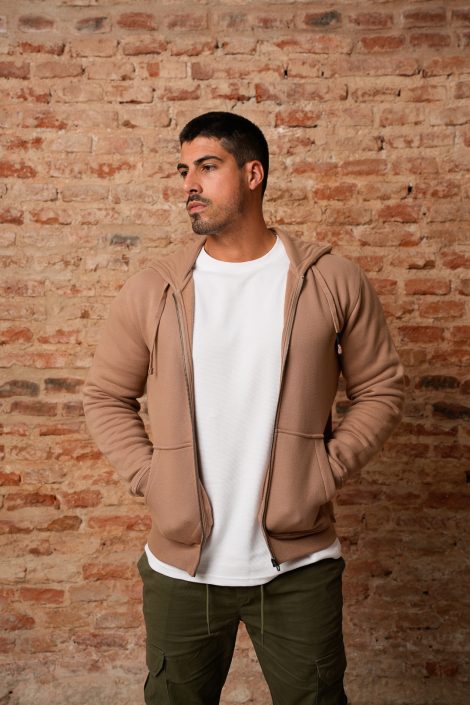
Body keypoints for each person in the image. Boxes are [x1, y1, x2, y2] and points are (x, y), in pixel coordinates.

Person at [82, 111, 404, 705]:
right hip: (182, 572)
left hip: (299, 568)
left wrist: (325, 470)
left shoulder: (330, 280)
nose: (189, 184)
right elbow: (105, 395)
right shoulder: (155, 289)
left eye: (207, 167)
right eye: (184, 170)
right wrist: (152, 476)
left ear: (253, 174)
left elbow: (381, 387)